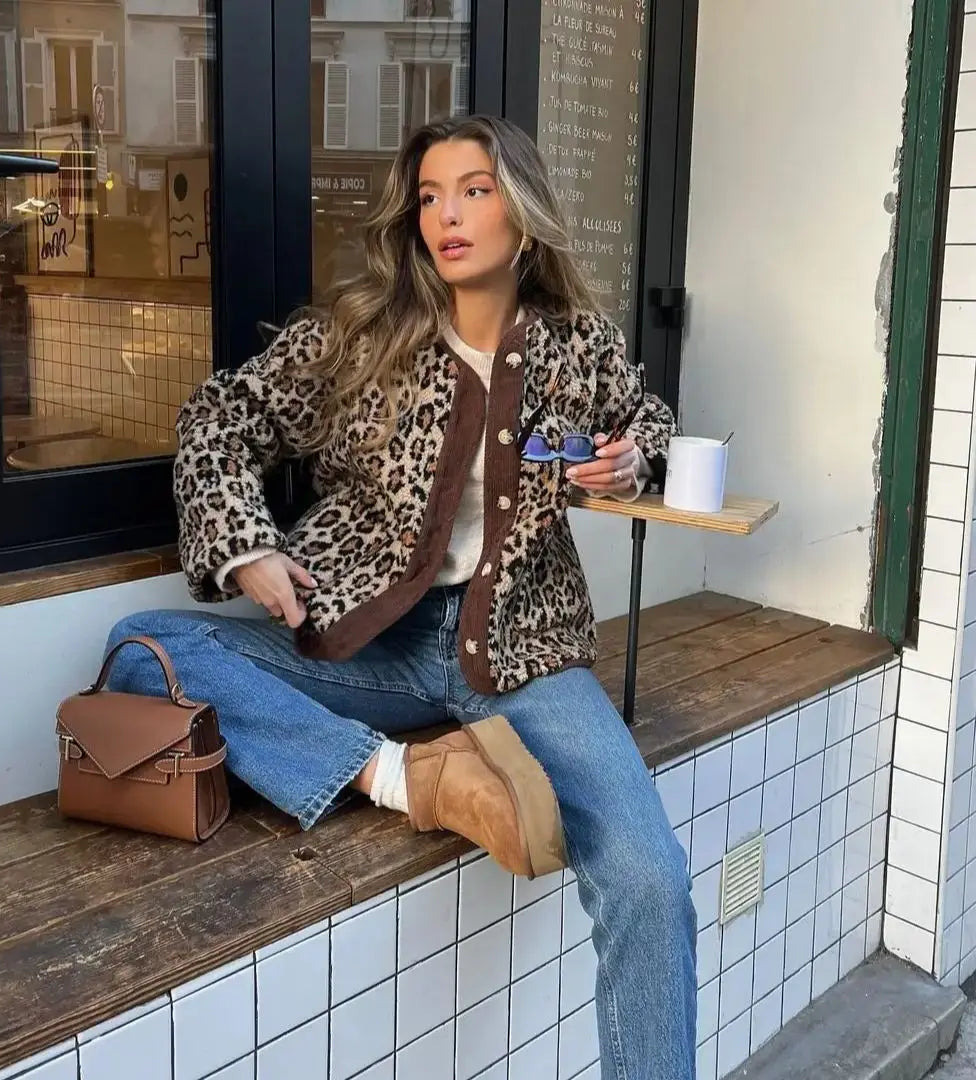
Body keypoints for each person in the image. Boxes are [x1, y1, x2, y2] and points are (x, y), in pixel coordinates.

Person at [106, 115, 696, 1078]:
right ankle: (408, 777)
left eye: (474, 191)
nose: (447, 216)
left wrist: (635, 459)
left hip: (524, 652)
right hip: (371, 642)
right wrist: (246, 547)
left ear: (522, 212)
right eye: (429, 196)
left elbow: (651, 420)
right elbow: (221, 415)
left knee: (651, 879)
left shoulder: (578, 346)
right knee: (146, 650)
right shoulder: (361, 337)